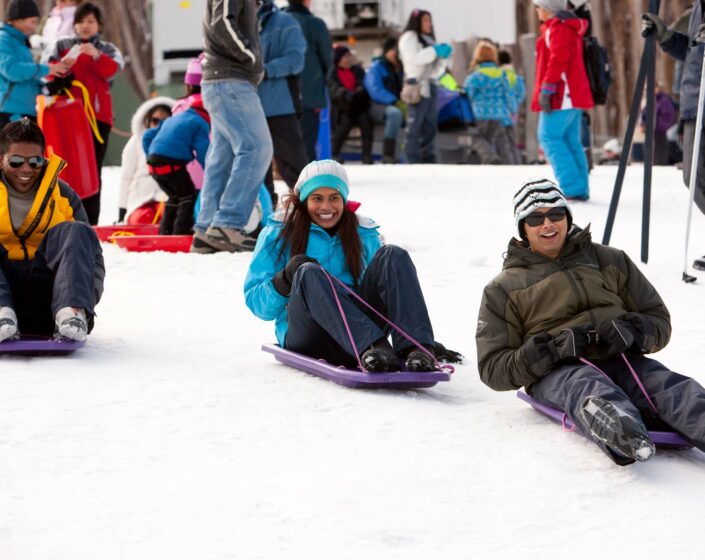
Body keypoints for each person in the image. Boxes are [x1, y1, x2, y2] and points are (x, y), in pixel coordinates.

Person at [476, 178, 705, 465]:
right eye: (536, 218)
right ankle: (619, 428)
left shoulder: (609, 259)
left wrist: (631, 331)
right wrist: (546, 352)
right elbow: (492, 368)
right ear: (523, 227)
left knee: (670, 387)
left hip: (622, 358)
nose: (548, 224)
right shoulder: (503, 288)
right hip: (559, 373)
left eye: (556, 214)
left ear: (567, 217)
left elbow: (658, 319)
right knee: (586, 386)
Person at [245, 159, 451, 373]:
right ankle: (372, 345)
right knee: (308, 272)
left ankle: (415, 347)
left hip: (361, 339)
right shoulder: (278, 234)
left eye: (334, 198)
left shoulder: (364, 234)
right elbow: (257, 305)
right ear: (304, 200)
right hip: (308, 334)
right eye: (317, 198)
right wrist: (285, 280)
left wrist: (416, 333)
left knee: (393, 254)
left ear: (343, 199)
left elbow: (384, 293)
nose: (326, 207)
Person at [0, 118, 104, 342]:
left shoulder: (62, 194)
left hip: (50, 301)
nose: (26, 169)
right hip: (3, 297)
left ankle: (72, 312)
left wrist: (85, 302)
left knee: (76, 231)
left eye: (35, 161)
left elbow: (92, 255)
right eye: (17, 161)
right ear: (2, 159)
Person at [190, 0, 273, 254]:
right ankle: (228, 223)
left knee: (222, 155)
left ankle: (207, 228)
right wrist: (251, 58)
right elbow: (222, 22)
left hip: (222, 81)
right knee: (257, 148)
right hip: (230, 79)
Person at [44, 2, 124, 225]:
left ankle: (91, 222)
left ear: (99, 24)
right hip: (67, 118)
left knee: (93, 170)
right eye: (80, 21)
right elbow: (46, 73)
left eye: (90, 21)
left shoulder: (108, 49)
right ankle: (65, 218)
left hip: (98, 118)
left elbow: (112, 71)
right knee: (66, 168)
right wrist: (63, 64)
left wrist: (97, 55)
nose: (85, 26)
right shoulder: (61, 45)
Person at [643, 5, 705, 270]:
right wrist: (666, 37)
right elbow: (692, 51)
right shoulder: (698, 9)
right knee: (693, 176)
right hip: (695, 101)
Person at [531, 0, 593, 200]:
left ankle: (572, 187)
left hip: (561, 94)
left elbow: (558, 59)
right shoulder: (565, 27)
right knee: (569, 140)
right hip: (571, 94)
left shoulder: (559, 28)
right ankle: (580, 187)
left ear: (549, 8)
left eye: (539, 6)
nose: (537, 10)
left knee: (548, 137)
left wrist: (547, 89)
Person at [142, 58, 209, 236]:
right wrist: (209, 171)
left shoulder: (176, 116)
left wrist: (150, 154)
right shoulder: (200, 122)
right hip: (172, 164)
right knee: (188, 196)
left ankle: (165, 232)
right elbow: (203, 151)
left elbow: (148, 135)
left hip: (153, 162)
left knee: (174, 196)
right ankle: (180, 233)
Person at [257, 0, 308, 207]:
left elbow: (296, 60)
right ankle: (266, 212)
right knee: (258, 169)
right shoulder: (239, 24)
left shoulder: (285, 22)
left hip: (281, 106)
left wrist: (264, 70)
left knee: (293, 165)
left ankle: (311, 210)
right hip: (250, 107)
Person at [0, 0, 68, 129]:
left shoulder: (22, 44)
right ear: (17, 19)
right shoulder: (3, 39)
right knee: (13, 148)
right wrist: (46, 69)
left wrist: (49, 86)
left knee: (29, 147)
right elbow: (11, 70)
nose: (33, 27)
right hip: (10, 112)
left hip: (27, 112)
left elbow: (29, 77)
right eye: (32, 22)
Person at [398, 9, 451, 163]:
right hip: (416, 85)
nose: (429, 23)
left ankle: (428, 157)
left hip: (430, 84)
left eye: (430, 20)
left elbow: (435, 70)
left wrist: (442, 57)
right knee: (414, 124)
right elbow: (413, 59)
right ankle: (411, 158)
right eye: (426, 20)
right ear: (417, 21)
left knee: (430, 126)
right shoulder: (409, 37)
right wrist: (434, 51)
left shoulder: (429, 40)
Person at [285, 0, 333, 163]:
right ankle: (307, 180)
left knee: (283, 141)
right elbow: (328, 59)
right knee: (307, 141)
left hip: (279, 94)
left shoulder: (277, 20)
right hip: (309, 93)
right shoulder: (316, 24)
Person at [117, 97, 174, 225]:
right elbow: (126, 177)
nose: (159, 125)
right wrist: (122, 209)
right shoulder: (136, 142)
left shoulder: (176, 142)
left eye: (165, 121)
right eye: (155, 121)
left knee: (168, 217)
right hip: (139, 198)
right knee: (142, 219)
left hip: (166, 196)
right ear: (147, 121)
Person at [463, 42, 517, 165]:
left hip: (480, 114)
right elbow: (508, 94)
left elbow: (467, 96)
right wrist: (512, 109)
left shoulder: (475, 77)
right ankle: (509, 165)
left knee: (477, 138)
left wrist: (466, 115)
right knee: (500, 141)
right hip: (499, 115)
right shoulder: (502, 75)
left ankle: (490, 157)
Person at [328, 45, 373, 165]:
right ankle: (335, 154)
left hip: (358, 106)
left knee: (366, 122)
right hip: (342, 108)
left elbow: (362, 85)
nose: (347, 59)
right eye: (344, 57)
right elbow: (334, 89)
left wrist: (356, 93)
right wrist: (345, 94)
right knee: (344, 123)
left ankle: (366, 155)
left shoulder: (358, 70)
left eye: (349, 56)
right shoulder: (332, 72)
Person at [364, 36, 405, 164]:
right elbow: (375, 90)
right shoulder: (376, 68)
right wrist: (395, 101)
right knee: (395, 114)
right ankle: (388, 154)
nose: (396, 54)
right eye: (394, 50)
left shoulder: (401, 69)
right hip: (376, 106)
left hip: (398, 104)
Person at [498, 49, 526, 164]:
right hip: (512, 113)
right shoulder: (514, 75)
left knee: (503, 140)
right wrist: (515, 105)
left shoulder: (500, 75)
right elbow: (521, 93)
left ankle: (508, 163)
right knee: (512, 139)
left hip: (501, 111)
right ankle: (516, 162)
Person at [640, 84, 677, 166]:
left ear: (657, 88)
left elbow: (668, 117)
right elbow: (644, 115)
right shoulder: (650, 100)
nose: (647, 91)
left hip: (660, 133)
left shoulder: (663, 100)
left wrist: (655, 126)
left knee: (660, 158)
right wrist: (643, 125)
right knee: (651, 157)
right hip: (650, 132)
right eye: (645, 89)